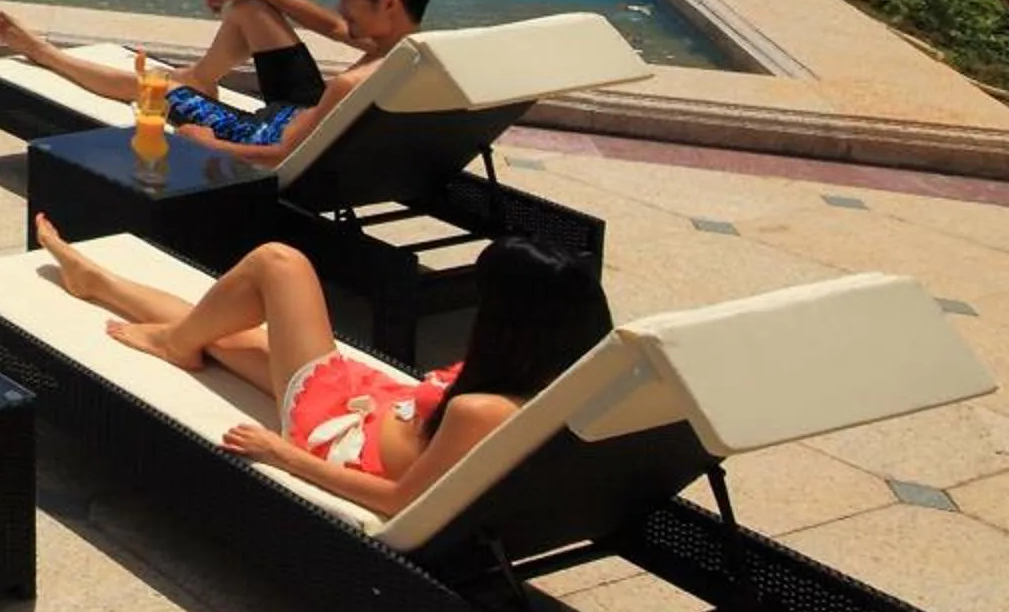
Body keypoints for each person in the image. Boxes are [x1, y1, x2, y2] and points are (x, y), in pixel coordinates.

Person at [34, 216, 610, 517]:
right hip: (372, 400)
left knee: (277, 263)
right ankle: (101, 284)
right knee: (226, 334)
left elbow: (399, 500)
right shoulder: (563, 374)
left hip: (336, 431)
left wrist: (280, 453)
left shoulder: (481, 410)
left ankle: (162, 334)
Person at [0, 0, 437, 167]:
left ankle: (45, 54)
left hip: (263, 134)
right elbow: (334, 28)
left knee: (157, 87)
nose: (341, 8)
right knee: (249, 7)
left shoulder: (349, 85)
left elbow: (281, 155)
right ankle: (203, 77)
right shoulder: (412, 53)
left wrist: (208, 144)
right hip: (303, 110)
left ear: (388, 3)